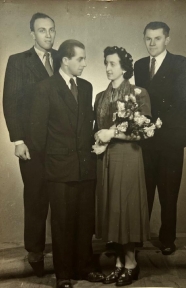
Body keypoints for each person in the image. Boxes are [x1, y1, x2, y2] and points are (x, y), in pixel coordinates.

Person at [30, 39, 99, 288]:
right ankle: (64, 275)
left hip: (86, 167)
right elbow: (37, 135)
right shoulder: (45, 88)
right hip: (59, 169)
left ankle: (84, 267)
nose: (84, 63)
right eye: (80, 58)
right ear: (65, 60)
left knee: (84, 222)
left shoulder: (87, 86)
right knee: (61, 224)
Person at [134, 21, 186, 255]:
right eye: (148, 38)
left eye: (157, 38)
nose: (152, 43)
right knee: (144, 192)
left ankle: (168, 238)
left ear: (167, 40)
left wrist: (174, 130)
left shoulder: (180, 64)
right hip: (146, 142)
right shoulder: (139, 65)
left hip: (170, 141)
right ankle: (139, 237)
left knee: (169, 193)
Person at [3, 13, 58, 276]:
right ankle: (35, 251)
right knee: (36, 197)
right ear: (32, 34)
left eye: (51, 30)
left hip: (60, 144)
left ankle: (63, 251)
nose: (48, 35)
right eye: (42, 31)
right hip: (32, 145)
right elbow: (10, 102)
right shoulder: (18, 61)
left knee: (61, 199)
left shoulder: (62, 58)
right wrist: (18, 140)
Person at [91, 46, 151, 287]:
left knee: (125, 208)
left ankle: (131, 264)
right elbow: (98, 129)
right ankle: (118, 263)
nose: (108, 68)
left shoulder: (139, 93)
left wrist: (111, 135)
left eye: (113, 63)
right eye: (106, 63)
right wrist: (100, 140)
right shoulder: (100, 96)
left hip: (128, 157)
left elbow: (144, 132)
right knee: (112, 209)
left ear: (124, 67)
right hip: (106, 159)